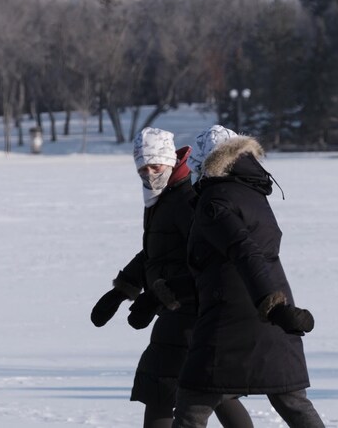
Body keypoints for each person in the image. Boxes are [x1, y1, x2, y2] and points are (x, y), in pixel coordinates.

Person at [91, 127, 253, 428]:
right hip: (179, 310)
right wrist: (123, 289)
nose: (149, 173)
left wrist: (157, 295)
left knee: (163, 388)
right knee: (211, 389)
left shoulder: (185, 198)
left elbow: (204, 259)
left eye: (155, 166)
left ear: (169, 161)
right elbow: (157, 254)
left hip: (191, 311)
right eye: (142, 167)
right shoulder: (162, 196)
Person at [167, 125, 323, 428]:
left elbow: (243, 251)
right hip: (268, 311)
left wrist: (273, 306)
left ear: (205, 163)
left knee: (191, 406)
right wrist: (167, 291)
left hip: (232, 319)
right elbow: (216, 263)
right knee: (291, 400)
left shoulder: (214, 200)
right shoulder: (251, 191)